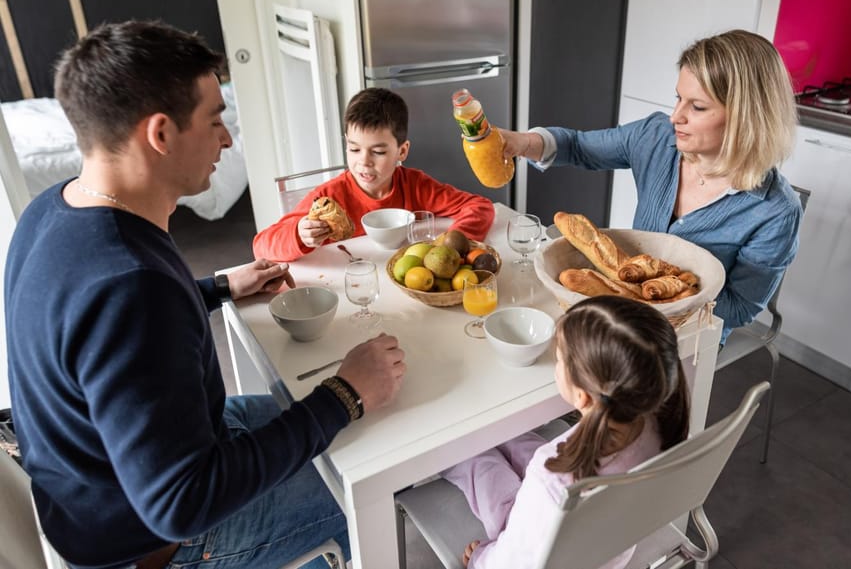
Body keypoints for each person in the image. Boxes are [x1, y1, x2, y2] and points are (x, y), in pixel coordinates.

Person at [4, 20, 407, 569]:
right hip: (155, 542)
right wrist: (345, 393)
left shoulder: (54, 208)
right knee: (384, 470)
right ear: (161, 134)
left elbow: (103, 335)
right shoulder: (132, 287)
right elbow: (183, 503)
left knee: (359, 428)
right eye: (216, 119)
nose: (226, 138)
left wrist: (215, 287)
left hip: (109, 487)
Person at [501, 29, 803, 342]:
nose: (676, 117)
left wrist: (656, 303)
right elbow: (577, 146)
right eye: (678, 98)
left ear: (747, 118)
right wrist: (520, 142)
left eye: (697, 107)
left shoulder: (776, 211)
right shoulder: (657, 138)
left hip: (688, 338)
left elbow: (741, 307)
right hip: (620, 317)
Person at [441, 295, 688, 569]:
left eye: (558, 359)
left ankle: (463, 457)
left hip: (553, 542)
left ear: (582, 397)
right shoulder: (660, 424)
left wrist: (479, 559)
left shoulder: (550, 479)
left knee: (479, 462)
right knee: (521, 443)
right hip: (609, 546)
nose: (556, 365)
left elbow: (514, 562)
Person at [253, 87, 495, 262]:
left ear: (402, 151)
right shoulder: (328, 198)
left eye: (378, 151)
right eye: (354, 149)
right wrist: (299, 234)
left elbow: (481, 206)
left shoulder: (415, 185)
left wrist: (451, 244)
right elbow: (261, 246)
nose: (364, 162)